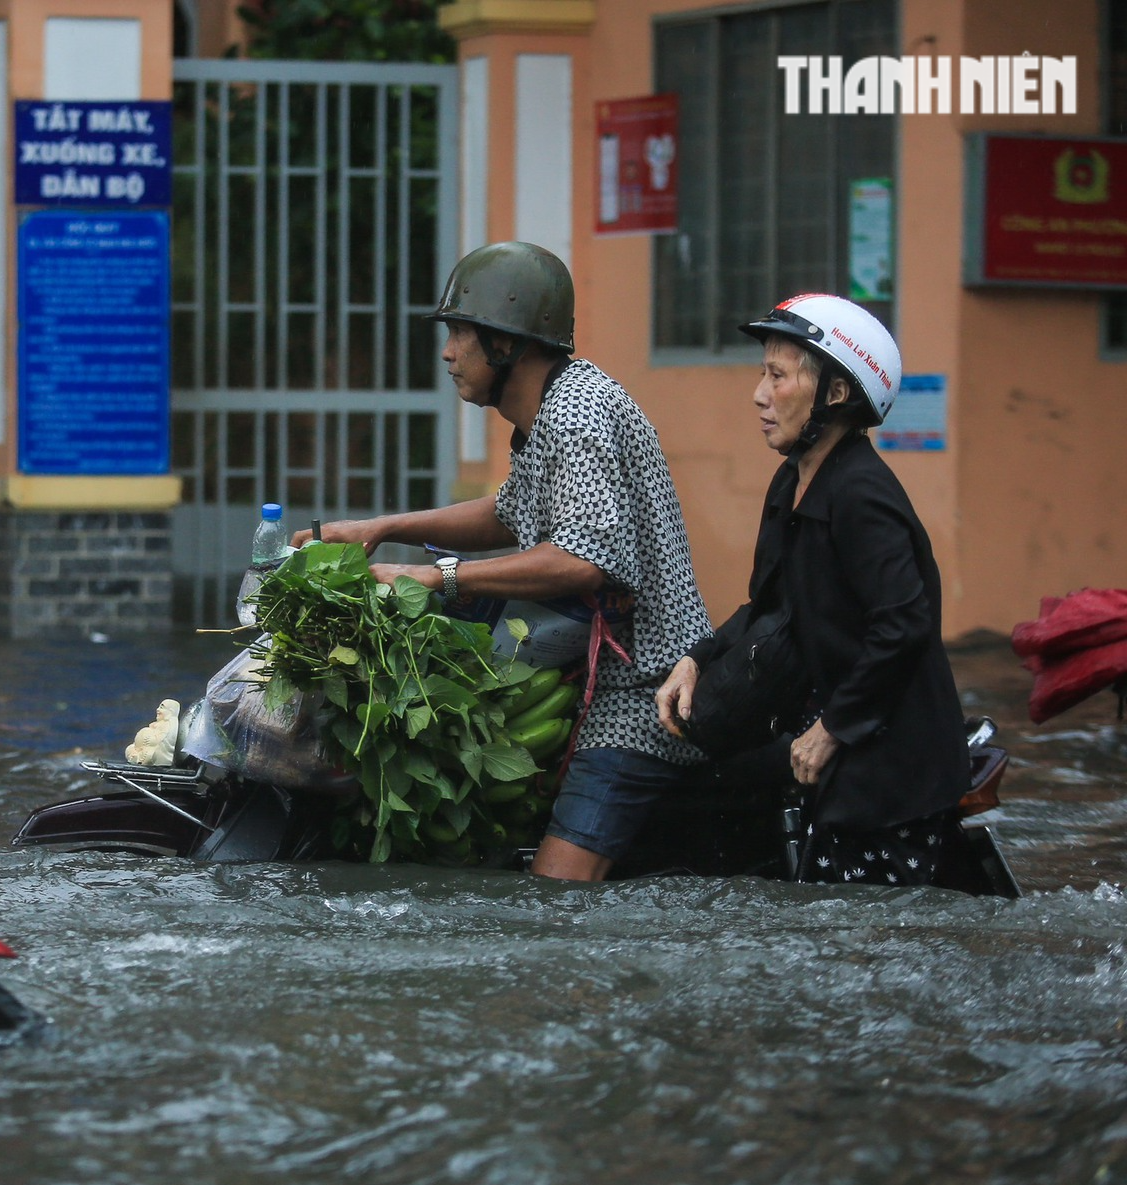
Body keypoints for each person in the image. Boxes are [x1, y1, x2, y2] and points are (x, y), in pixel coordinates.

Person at [298, 241, 712, 882]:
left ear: (507, 343)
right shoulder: (551, 412)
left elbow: (583, 559)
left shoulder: (579, 414)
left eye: (461, 333)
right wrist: (382, 528)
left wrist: (439, 574)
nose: (447, 352)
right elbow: (509, 511)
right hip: (586, 673)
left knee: (552, 895)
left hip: (644, 693)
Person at [656, 295, 970, 885]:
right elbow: (768, 606)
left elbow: (903, 625)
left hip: (892, 772)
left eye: (778, 376)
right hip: (831, 753)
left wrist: (832, 729)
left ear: (835, 394)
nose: (759, 394)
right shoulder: (790, 484)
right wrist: (695, 660)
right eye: (762, 373)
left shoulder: (861, 496)